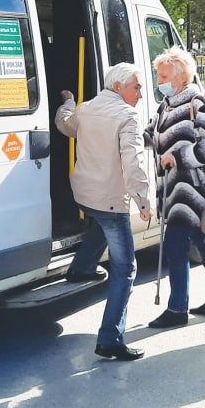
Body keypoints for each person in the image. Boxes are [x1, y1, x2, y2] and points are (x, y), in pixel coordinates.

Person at [56, 63, 155, 361]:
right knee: (126, 269)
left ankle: (81, 269)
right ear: (117, 87)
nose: (140, 93)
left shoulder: (85, 109)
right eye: (136, 87)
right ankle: (110, 339)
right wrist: (143, 201)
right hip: (110, 199)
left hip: (85, 194)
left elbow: (65, 125)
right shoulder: (127, 115)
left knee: (101, 226)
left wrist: (68, 103)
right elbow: (133, 162)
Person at [143, 47, 205, 328]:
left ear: (180, 76)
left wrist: (178, 157)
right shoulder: (166, 104)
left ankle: (193, 306)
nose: (159, 79)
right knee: (188, 248)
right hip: (173, 191)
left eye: (162, 75)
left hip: (195, 192)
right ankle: (202, 303)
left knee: (199, 248)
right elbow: (152, 135)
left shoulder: (200, 103)